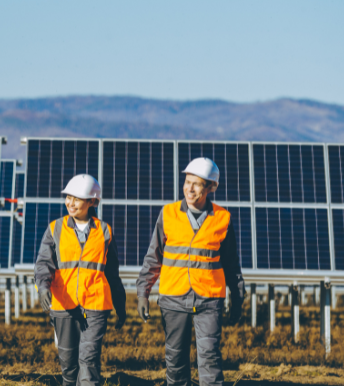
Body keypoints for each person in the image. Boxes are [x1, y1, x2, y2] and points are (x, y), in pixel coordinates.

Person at [136, 157, 245, 386]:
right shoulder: (168, 214)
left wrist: (237, 296)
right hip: (173, 298)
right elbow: (153, 257)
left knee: (210, 358)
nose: (189, 188)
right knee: (175, 359)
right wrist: (142, 293)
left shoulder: (223, 219)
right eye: (187, 181)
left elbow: (231, 263)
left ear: (211, 187)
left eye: (196, 184)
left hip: (209, 299)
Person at [34, 174, 127, 386]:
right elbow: (43, 264)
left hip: (95, 305)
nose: (70, 202)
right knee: (68, 366)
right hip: (63, 305)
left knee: (89, 360)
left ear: (92, 201)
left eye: (77, 198)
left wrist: (120, 305)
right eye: (68, 197)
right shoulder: (55, 228)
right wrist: (43, 286)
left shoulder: (105, 231)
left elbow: (112, 273)